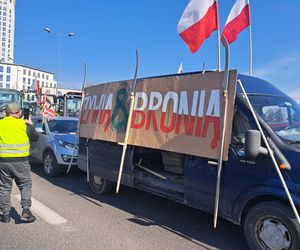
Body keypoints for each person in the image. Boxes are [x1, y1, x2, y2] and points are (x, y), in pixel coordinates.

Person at [0, 102, 38, 223]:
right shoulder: (24, 124)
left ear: (6, 113)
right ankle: (26, 211)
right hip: (21, 161)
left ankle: (5, 215)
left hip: (3, 162)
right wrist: (30, 125)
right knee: (25, 185)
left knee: (4, 188)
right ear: (19, 112)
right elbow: (35, 138)